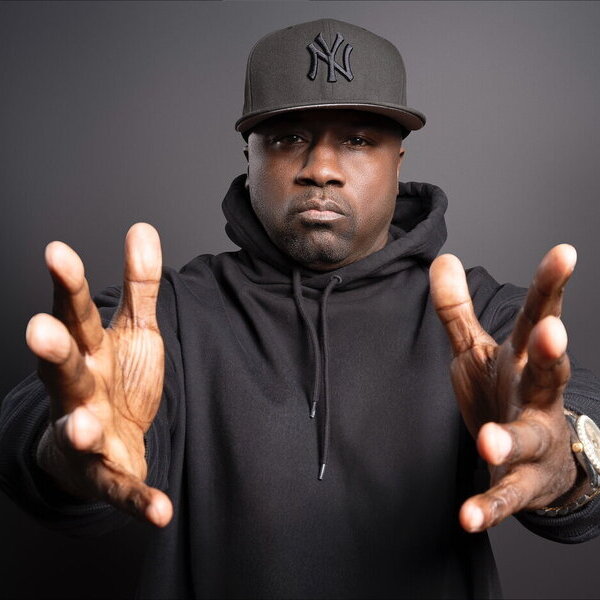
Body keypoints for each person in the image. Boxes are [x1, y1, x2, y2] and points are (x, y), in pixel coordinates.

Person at [2, 18, 600, 599]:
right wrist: (67, 446)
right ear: (249, 156)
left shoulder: (478, 317)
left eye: (358, 140)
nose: (320, 169)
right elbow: (37, 418)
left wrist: (563, 457)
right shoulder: (165, 313)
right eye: (288, 138)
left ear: (399, 162)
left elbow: (576, 417)